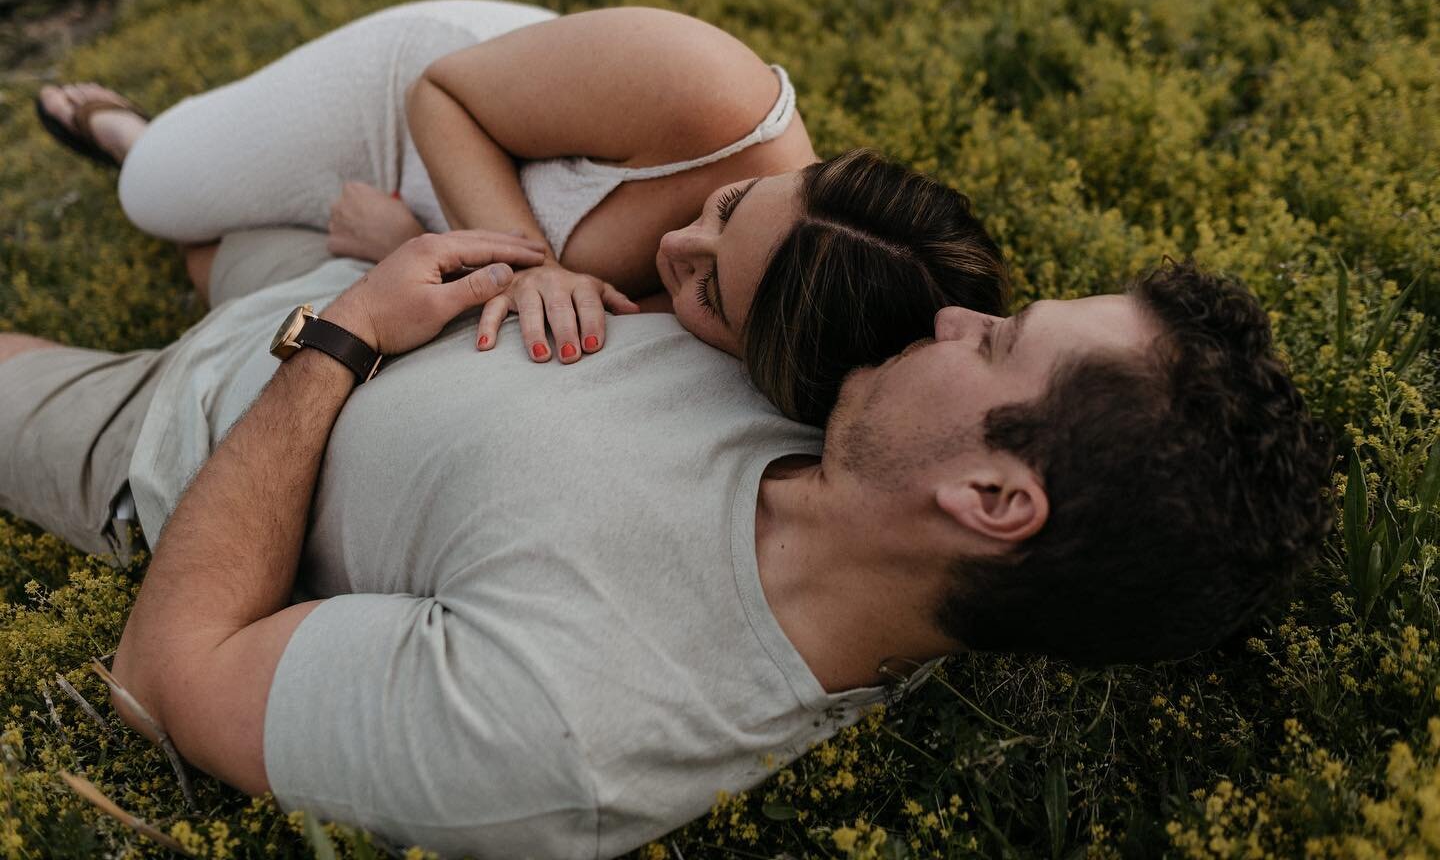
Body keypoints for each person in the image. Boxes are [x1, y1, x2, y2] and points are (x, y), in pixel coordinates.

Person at [0, 209, 1331, 856]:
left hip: (188, 425)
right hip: (396, 255)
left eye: (994, 343)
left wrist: (340, 343)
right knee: (195, 199)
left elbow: (166, 675)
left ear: (993, 501)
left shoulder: (571, 728)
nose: (946, 323)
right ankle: (154, 173)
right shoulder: (844, 403)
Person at [35, 0, 1010, 425]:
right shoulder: (707, 84)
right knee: (154, 193)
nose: (678, 245)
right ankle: (129, 128)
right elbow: (441, 95)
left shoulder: (785, 329)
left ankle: (245, 227)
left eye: (708, 287)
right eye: (727, 203)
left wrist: (418, 244)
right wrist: (533, 264)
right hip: (420, 98)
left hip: (442, 200)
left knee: (222, 259)